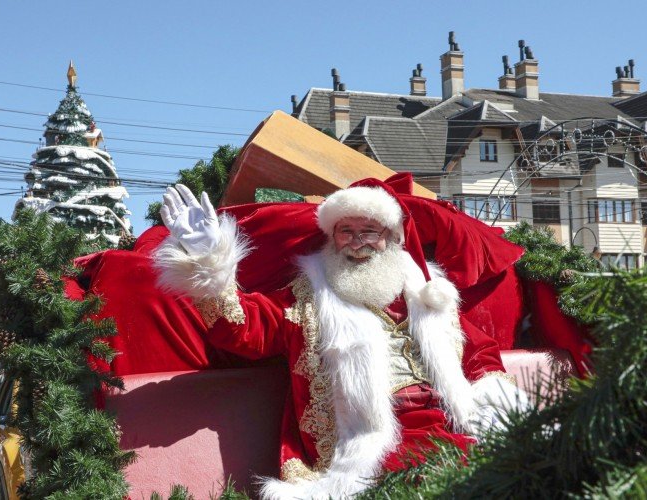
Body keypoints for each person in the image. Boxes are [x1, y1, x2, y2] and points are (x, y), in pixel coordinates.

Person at [155, 183, 528, 499]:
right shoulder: (308, 297)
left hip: (447, 422)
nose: (357, 242)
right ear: (331, 238)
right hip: (367, 437)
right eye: (345, 231)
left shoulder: (429, 292)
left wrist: (493, 398)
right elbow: (245, 328)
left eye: (369, 231)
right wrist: (208, 259)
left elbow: (478, 352)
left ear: (391, 237)